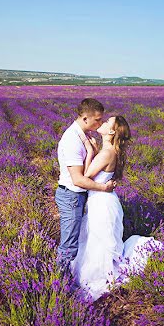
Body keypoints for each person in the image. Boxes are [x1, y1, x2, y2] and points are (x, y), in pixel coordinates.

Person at [69, 115, 164, 301]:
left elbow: (84, 178)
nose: (103, 122)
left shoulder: (106, 153)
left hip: (102, 203)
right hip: (104, 201)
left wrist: (88, 150)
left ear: (111, 132)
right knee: (98, 241)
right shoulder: (110, 151)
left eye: (108, 122)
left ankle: (103, 277)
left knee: (100, 243)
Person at [55, 98, 117, 278]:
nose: (100, 123)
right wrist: (103, 188)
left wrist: (92, 152)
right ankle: (60, 282)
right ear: (84, 118)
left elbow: (90, 168)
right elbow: (78, 180)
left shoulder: (85, 136)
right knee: (70, 243)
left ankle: (69, 276)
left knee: (79, 238)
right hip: (72, 196)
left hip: (79, 196)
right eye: (97, 119)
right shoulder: (72, 140)